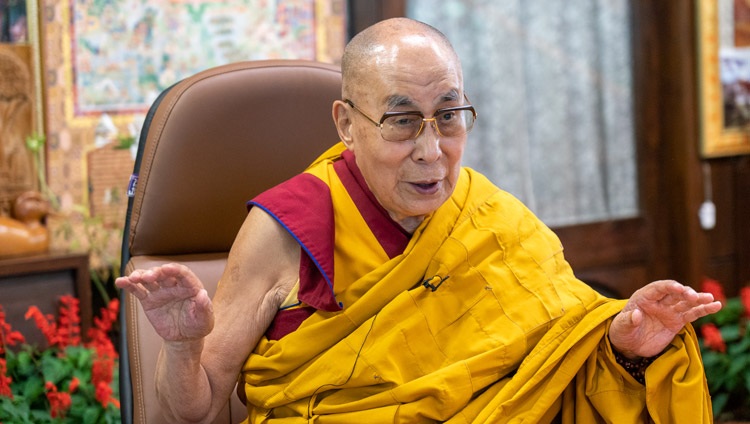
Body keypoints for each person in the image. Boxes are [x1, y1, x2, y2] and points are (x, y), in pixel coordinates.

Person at [115, 17, 722, 423]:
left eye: (450, 116)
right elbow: (196, 407)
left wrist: (625, 349)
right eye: (403, 121)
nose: (432, 152)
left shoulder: (494, 220)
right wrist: (184, 346)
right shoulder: (286, 228)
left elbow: (553, 372)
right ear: (346, 124)